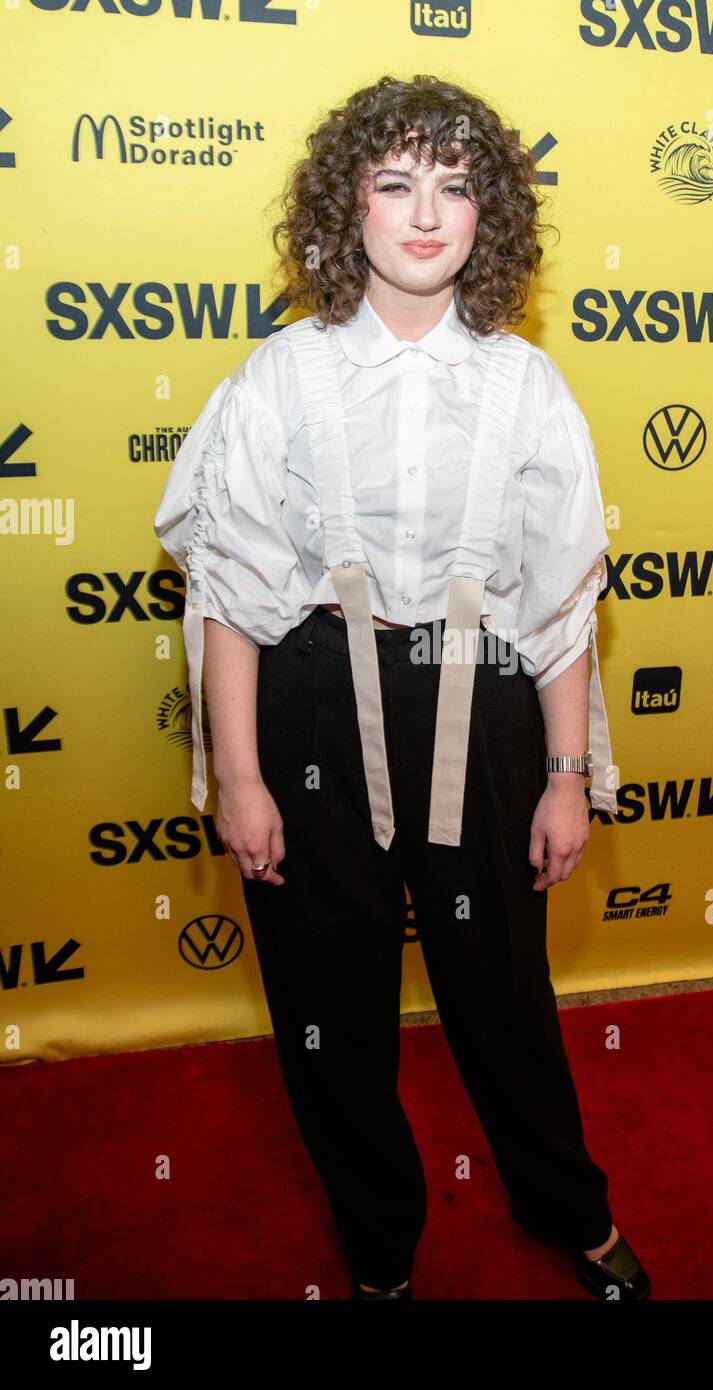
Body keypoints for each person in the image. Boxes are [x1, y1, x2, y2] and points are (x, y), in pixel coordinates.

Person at [153, 74, 650, 1302]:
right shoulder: (277, 377)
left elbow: (558, 608)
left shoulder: (529, 388)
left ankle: (566, 1210)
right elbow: (229, 590)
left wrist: (567, 775)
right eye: (394, 182)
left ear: (490, 218)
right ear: (348, 206)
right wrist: (242, 776)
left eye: (456, 186)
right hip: (310, 695)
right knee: (329, 1012)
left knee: (505, 998)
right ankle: (380, 1250)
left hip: (477, 701)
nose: (425, 213)